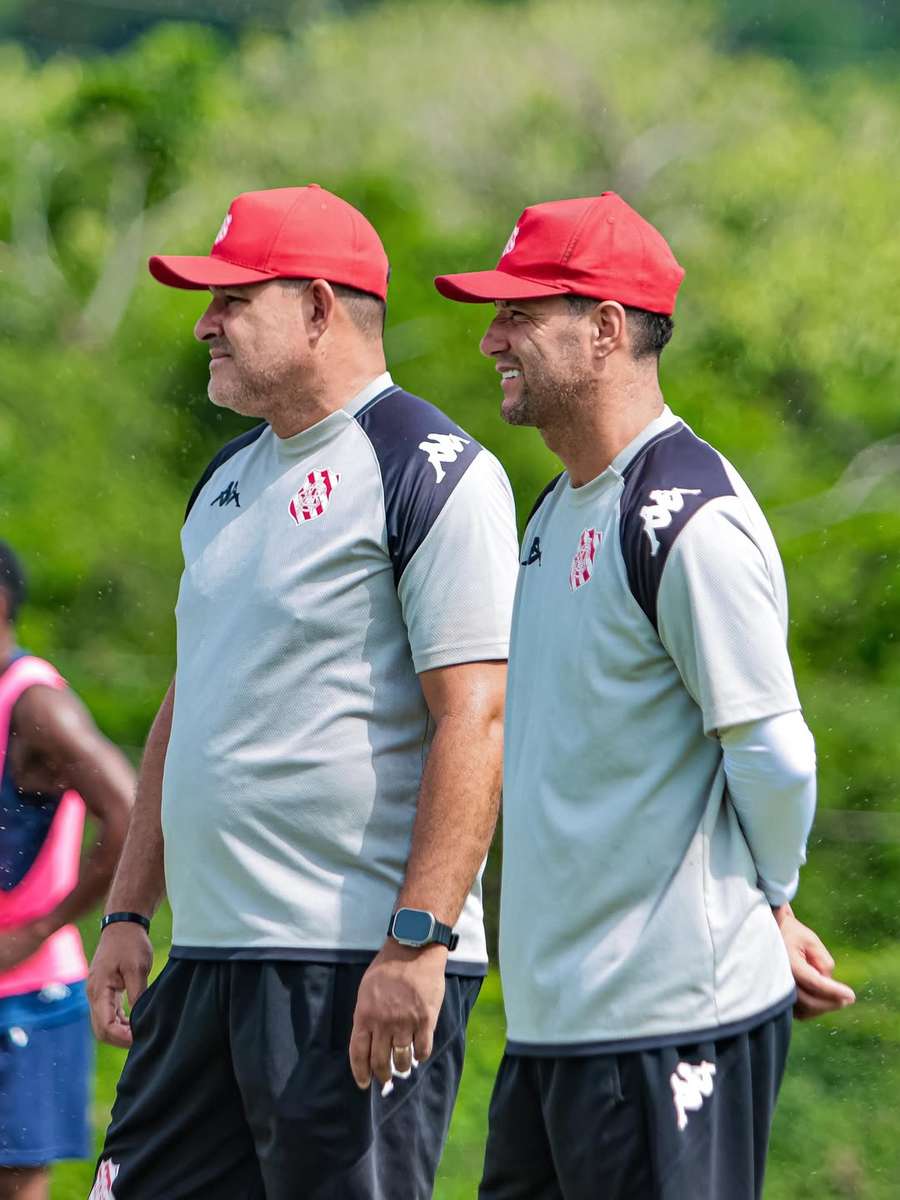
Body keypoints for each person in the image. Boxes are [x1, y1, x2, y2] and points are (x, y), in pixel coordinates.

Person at [86, 185, 518, 1199]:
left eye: (232, 299)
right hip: (209, 959)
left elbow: (477, 716)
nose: (205, 323)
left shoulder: (431, 469)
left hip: (352, 961)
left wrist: (418, 938)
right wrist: (128, 912)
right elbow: (186, 705)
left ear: (319, 309)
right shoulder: (227, 481)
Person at [434, 192, 857, 1200]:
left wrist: (769, 896)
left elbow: (774, 752)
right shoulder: (556, 508)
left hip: (669, 1021)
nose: (493, 337)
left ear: (608, 329)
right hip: (555, 1028)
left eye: (521, 316)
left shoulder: (688, 517)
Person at [0, 541, 133, 1200]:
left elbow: (129, 811)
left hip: (25, 992)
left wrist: (41, 928)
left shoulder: (35, 708)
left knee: (17, 1181)